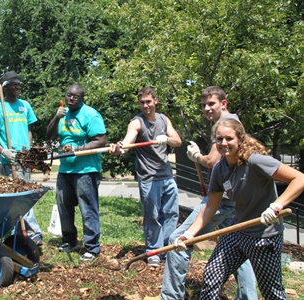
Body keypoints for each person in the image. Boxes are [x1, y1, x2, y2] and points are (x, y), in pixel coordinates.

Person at [176, 118, 304, 299]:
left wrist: (276, 206)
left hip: (263, 235)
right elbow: (211, 206)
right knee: (212, 275)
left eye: (229, 138)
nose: (223, 143)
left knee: (271, 292)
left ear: (240, 139)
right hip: (237, 231)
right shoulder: (220, 169)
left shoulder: (256, 161)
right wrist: (189, 235)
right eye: (219, 139)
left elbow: (299, 179)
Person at [157, 86, 257, 300]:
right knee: (240, 249)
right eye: (203, 105)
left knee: (178, 239)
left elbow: (212, 162)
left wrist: (197, 157)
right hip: (235, 199)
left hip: (222, 201)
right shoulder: (233, 121)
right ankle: (249, 297)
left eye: (211, 103)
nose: (206, 108)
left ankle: (171, 296)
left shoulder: (226, 124)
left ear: (223, 103)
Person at [108, 86, 182, 267]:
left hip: (166, 175)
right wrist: (119, 148)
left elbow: (178, 141)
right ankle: (154, 252)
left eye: (148, 101)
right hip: (148, 177)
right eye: (142, 102)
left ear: (155, 101)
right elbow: (127, 142)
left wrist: (166, 138)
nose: (145, 105)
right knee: (153, 216)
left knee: (171, 214)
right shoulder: (137, 122)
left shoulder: (164, 120)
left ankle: (166, 249)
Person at [46, 84, 106, 261]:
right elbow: (50, 134)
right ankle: (69, 240)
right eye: (68, 95)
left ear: (82, 99)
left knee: (87, 208)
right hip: (65, 169)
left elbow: (100, 140)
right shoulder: (63, 114)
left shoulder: (90, 114)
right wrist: (56, 118)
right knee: (63, 205)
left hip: (85, 169)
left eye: (75, 97)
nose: (70, 99)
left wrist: (78, 148)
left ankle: (92, 247)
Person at [0, 71, 43, 246]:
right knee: (16, 197)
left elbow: (29, 130)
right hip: (9, 160)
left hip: (25, 158)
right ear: (5, 87)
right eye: (14, 84)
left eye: (19, 84)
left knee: (23, 196)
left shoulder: (25, 105)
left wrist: (31, 151)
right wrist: (3, 151)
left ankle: (24, 232)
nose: (18, 86)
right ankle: (31, 232)